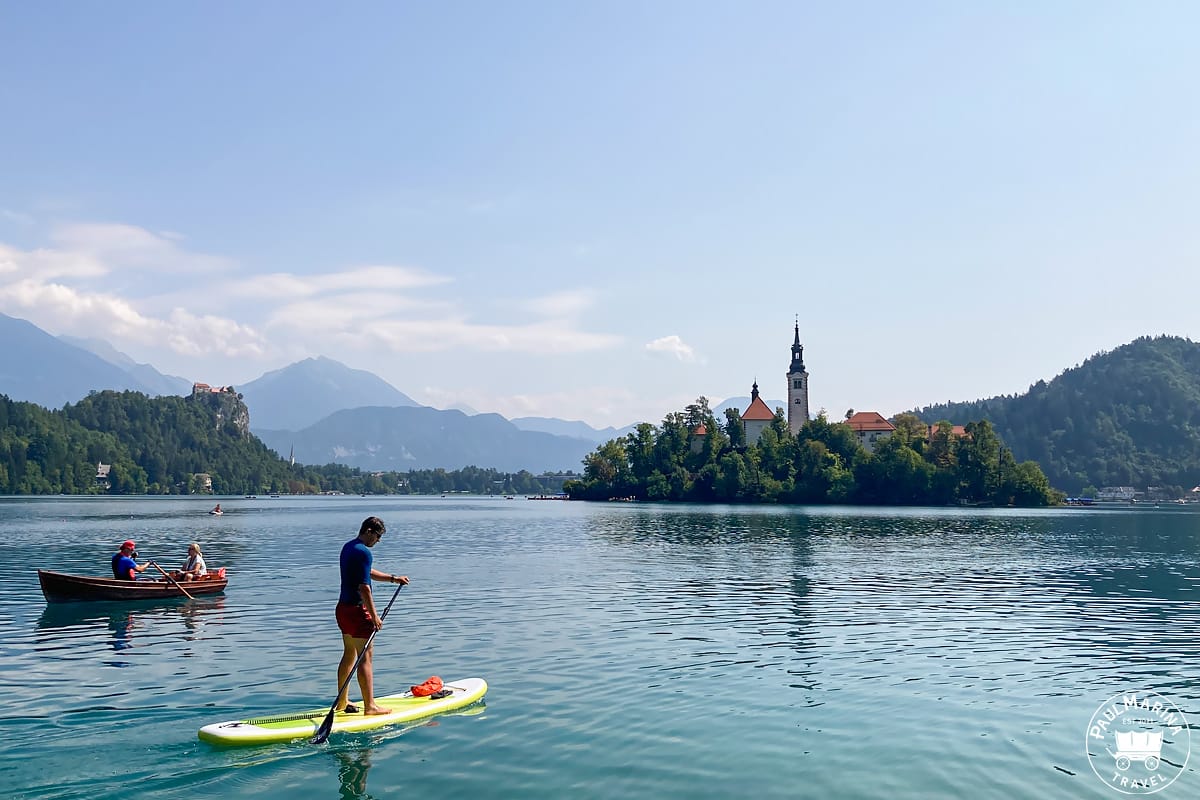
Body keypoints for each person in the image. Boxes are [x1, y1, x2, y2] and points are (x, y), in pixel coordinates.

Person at [334, 516, 408, 716]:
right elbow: (364, 587)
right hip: (358, 611)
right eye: (377, 536)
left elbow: (366, 573)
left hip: (342, 609)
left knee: (349, 654)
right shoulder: (364, 552)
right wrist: (375, 616)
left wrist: (393, 579)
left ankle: (342, 702)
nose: (378, 540)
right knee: (365, 658)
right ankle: (370, 707)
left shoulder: (349, 547)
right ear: (368, 531)